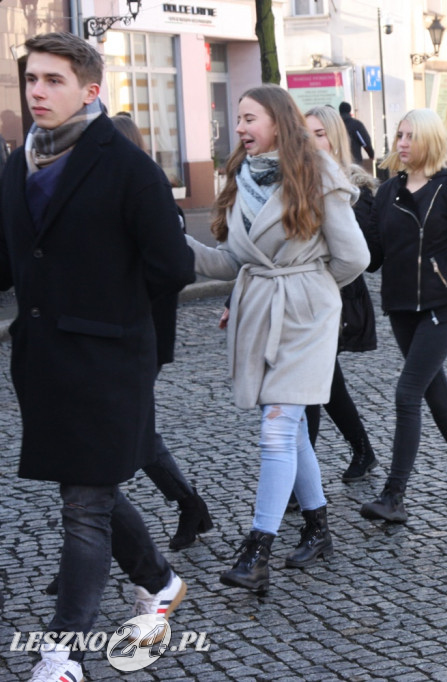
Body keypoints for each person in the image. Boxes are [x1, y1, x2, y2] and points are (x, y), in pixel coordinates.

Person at [0, 32, 195, 682]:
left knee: (82, 506)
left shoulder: (125, 165)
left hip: (111, 361)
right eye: (31, 79)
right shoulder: (17, 164)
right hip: (44, 361)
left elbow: (173, 264)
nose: (37, 91)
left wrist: (108, 309)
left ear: (90, 89)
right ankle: (159, 581)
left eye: (52, 80)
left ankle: (62, 658)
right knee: (89, 488)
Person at [187, 85, 369, 594]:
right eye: (238, 118)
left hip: (306, 315)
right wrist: (174, 243)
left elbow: (354, 258)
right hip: (260, 310)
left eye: (249, 118)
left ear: (278, 122)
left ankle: (257, 548)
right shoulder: (240, 178)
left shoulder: (317, 174)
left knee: (276, 427)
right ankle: (318, 528)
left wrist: (307, 288)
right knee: (286, 428)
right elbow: (231, 261)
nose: (240, 127)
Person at [360, 108, 447, 523]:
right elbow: (373, 259)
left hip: (444, 308)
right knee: (434, 393)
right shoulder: (387, 192)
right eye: (399, 135)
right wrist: (353, 214)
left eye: (410, 136)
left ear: (430, 141)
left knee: (408, 393)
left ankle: (394, 495)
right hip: (401, 308)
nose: (402, 144)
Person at [110, 112, 214, 550]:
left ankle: (188, 506)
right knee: (125, 434)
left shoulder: (152, 199)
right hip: (113, 338)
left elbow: (171, 272)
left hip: (142, 338)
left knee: (123, 435)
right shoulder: (113, 197)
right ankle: (190, 506)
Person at [303, 105, 380, 482]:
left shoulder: (353, 186)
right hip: (306, 296)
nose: (311, 141)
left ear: (334, 138)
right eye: (305, 134)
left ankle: (301, 478)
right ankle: (362, 451)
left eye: (319, 134)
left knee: (312, 386)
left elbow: (356, 251)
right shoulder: (298, 181)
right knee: (324, 383)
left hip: (338, 295)